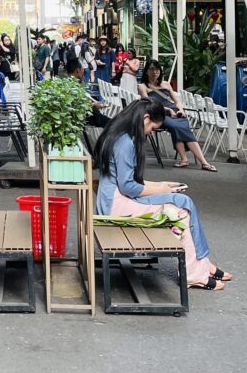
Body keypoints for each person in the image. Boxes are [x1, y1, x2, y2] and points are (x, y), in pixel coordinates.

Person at [94, 98, 231, 290]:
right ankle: (195, 272)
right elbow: (129, 187)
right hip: (117, 206)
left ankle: (202, 263)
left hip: (116, 200)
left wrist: (162, 185)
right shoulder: (126, 142)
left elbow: (128, 183)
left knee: (182, 200)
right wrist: (162, 189)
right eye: (153, 127)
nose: (150, 132)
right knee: (180, 211)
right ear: (145, 118)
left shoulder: (121, 136)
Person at [139, 59, 217, 171]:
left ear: (160, 71)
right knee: (177, 127)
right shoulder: (142, 86)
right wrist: (168, 111)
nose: (154, 72)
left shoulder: (166, 84)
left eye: (157, 69)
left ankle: (188, 160)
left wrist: (180, 109)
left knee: (181, 127)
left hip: (175, 111)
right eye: (151, 69)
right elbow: (149, 103)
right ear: (146, 71)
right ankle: (202, 162)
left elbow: (177, 101)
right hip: (158, 114)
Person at [65, 58, 109, 128]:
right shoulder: (73, 86)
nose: (83, 70)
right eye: (82, 68)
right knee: (114, 124)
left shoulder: (69, 83)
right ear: (77, 70)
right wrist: (94, 105)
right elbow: (77, 105)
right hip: (88, 118)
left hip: (89, 116)